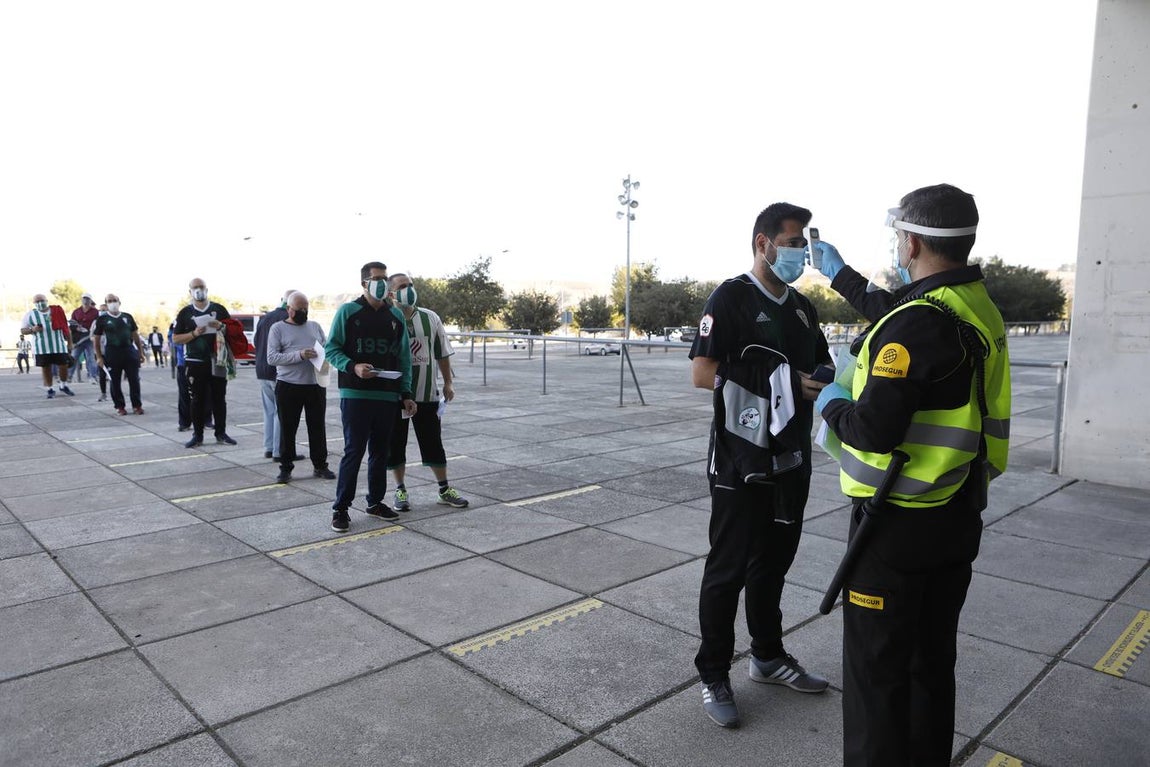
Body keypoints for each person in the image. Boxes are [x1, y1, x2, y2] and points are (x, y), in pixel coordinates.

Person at [813, 184, 1011, 766]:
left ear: (914, 243)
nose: (898, 245)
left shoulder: (920, 322)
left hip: (896, 526)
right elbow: (901, 313)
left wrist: (831, 402)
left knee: (876, 677)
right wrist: (840, 274)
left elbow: (873, 429)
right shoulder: (972, 303)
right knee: (930, 665)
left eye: (900, 235)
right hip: (957, 512)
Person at [688, 203, 832, 729]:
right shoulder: (730, 297)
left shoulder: (802, 308)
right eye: (792, 243)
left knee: (774, 561)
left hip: (790, 458)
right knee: (728, 569)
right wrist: (783, 382)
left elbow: (820, 362)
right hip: (739, 457)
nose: (800, 253)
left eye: (803, 245)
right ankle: (713, 674)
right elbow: (702, 374)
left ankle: (767, 656)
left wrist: (825, 377)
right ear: (763, 243)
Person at [324, 262, 416, 533]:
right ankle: (341, 508)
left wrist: (406, 393)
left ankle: (375, 502)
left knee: (380, 452)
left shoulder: (395, 315)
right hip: (356, 393)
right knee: (354, 451)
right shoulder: (348, 311)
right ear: (364, 283)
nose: (382, 283)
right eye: (377, 278)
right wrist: (353, 366)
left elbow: (404, 358)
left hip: (387, 394)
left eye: (385, 278)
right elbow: (331, 349)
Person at [386, 273, 469, 510]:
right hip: (396, 396)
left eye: (411, 285)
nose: (409, 289)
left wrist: (448, 382)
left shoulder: (430, 317)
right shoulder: (386, 318)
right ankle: (400, 490)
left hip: (427, 394)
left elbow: (441, 352)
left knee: (433, 442)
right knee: (396, 444)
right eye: (403, 286)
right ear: (391, 293)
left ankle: (444, 489)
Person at [267, 292, 335, 483]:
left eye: (306, 309)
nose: (303, 312)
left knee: (317, 427)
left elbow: (327, 348)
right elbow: (271, 358)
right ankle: (285, 467)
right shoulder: (278, 328)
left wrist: (324, 355)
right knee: (288, 428)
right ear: (289, 309)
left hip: (315, 385)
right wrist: (300, 355)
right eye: (299, 309)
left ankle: (320, 465)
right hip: (288, 385)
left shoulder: (314, 326)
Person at [171, 278, 237, 447]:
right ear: (190, 291)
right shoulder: (185, 313)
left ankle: (221, 433)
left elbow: (232, 330)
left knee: (219, 398)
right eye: (195, 287)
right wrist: (194, 334)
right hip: (195, 361)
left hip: (217, 359)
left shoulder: (219, 309)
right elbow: (176, 338)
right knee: (197, 399)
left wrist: (221, 326)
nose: (199, 290)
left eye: (201, 287)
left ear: (207, 289)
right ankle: (197, 435)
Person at [253, 291, 292, 460]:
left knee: (269, 411)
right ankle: (279, 451)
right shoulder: (288, 319)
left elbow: (256, 342)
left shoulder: (265, 317)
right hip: (278, 370)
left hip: (262, 370)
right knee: (281, 412)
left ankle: (269, 447)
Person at [93, 293, 145, 415]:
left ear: (119, 302)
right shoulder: (102, 319)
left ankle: (137, 405)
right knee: (115, 381)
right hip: (112, 352)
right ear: (106, 304)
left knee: (134, 379)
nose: (113, 303)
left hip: (129, 351)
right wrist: (99, 357)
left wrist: (140, 352)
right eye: (109, 301)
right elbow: (96, 339)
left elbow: (135, 335)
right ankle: (120, 406)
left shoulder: (127, 317)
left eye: (114, 300)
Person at [20, 293, 74, 399]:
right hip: (41, 347)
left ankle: (63, 385)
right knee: (46, 368)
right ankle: (50, 388)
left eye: (42, 300)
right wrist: (32, 329)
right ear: (34, 303)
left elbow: (66, 328)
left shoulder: (56, 311)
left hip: (59, 345)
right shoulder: (30, 315)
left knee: (64, 365)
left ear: (46, 301)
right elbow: (23, 330)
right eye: (37, 301)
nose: (40, 303)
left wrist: (70, 343)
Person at [69, 293, 99, 383]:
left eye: (87, 299)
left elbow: (98, 323)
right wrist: (76, 328)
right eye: (84, 298)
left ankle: (92, 376)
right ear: (81, 300)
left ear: (91, 300)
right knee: (74, 357)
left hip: (90, 338)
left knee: (91, 358)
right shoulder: (76, 311)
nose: (86, 300)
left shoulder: (95, 312)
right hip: (79, 339)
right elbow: (71, 324)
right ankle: (68, 376)